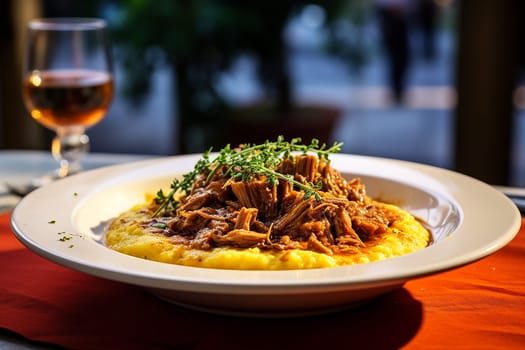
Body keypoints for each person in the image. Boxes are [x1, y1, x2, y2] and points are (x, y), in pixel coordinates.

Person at [375, 0, 411, 104]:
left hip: (401, 18)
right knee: (395, 57)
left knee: (402, 58)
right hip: (389, 17)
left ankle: (398, 89)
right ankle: (395, 90)